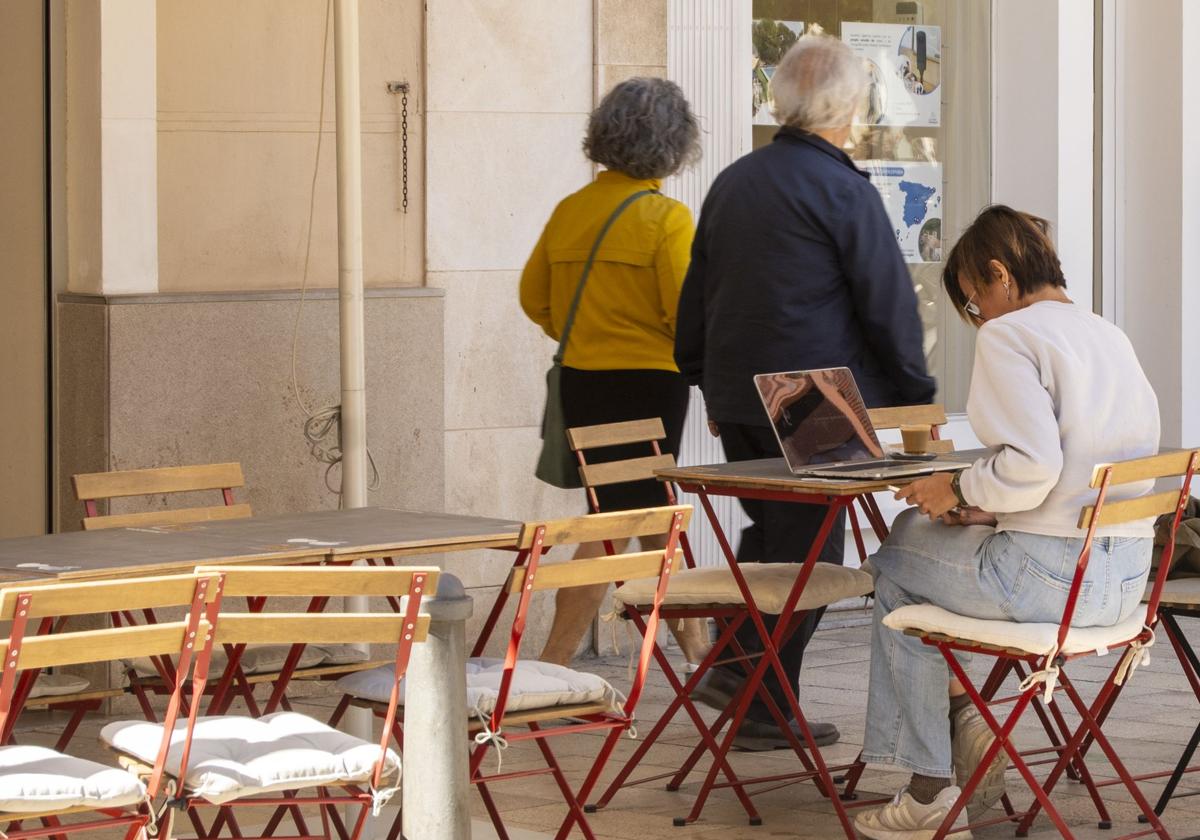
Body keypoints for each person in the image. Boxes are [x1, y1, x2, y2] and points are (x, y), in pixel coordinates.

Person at [854, 206, 1161, 839]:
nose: (978, 319)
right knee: (922, 554)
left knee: (895, 561)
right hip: (1123, 582)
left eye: (974, 302)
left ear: (1000, 275)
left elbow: (1031, 465)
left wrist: (954, 487)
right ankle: (959, 722)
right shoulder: (1107, 332)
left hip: (1047, 579)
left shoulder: (1012, 334)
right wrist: (976, 507)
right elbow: (1073, 468)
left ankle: (931, 784)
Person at [675, 33, 936, 751]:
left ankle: (761, 698)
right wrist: (917, 396)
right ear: (847, 106)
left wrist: (704, 378)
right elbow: (887, 302)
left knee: (775, 538)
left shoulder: (734, 180)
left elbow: (699, 294)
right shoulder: (842, 188)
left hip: (739, 393)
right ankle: (742, 674)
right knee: (813, 553)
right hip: (811, 396)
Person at [519, 77, 708, 668]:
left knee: (641, 515)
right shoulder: (666, 219)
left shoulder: (570, 211)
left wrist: (587, 334)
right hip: (648, 386)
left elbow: (534, 298)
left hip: (582, 380)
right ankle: (551, 662)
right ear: (674, 145)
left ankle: (700, 653)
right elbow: (687, 313)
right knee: (619, 522)